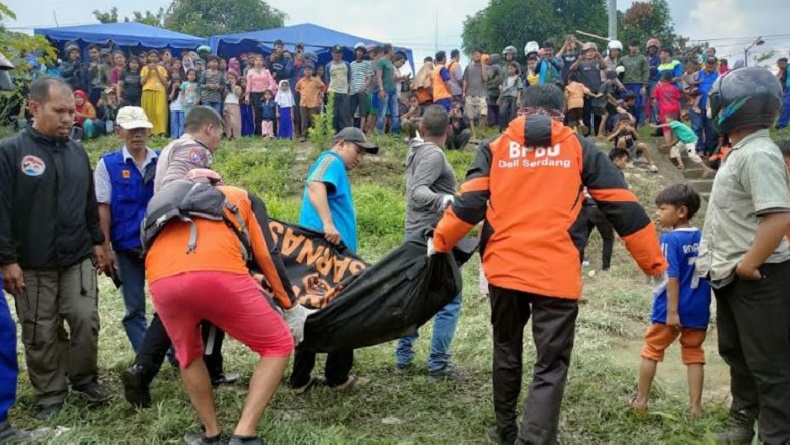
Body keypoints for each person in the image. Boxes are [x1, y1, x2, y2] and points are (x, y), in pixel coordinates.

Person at [429, 85, 667, 445]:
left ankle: (506, 430)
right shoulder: (580, 148)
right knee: (551, 365)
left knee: (506, 350)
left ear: (521, 108)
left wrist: (440, 242)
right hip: (556, 275)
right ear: (561, 112)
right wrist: (653, 264)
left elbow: (467, 205)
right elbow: (624, 207)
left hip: (504, 271)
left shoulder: (494, 148)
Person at [145, 169, 308, 445]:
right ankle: (243, 435)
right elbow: (267, 254)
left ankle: (211, 434)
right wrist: (290, 305)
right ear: (217, 184)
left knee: (189, 356)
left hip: (161, 279)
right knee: (278, 344)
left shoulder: (166, 205)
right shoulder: (238, 196)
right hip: (218, 273)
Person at [0, 77, 112, 419]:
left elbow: (89, 202)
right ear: (34, 108)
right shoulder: (10, 152)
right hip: (31, 264)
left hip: (76, 256)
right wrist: (7, 261)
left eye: (72, 111)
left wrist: (98, 242)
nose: (68, 118)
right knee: (40, 329)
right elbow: (1, 210)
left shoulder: (78, 151)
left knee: (84, 319)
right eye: (59, 111)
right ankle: (50, 393)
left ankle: (84, 379)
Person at [695, 67, 790, 444]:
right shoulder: (741, 152)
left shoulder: (759, 154)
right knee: (737, 354)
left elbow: (779, 215)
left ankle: (776, 436)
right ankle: (741, 422)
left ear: (731, 106)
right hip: (732, 275)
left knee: (769, 363)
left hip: (758, 276)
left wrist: (750, 263)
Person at [121, 107, 239, 409]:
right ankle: (212, 370)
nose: (219, 142)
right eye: (220, 135)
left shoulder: (173, 146)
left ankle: (142, 369)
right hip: (186, 235)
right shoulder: (193, 150)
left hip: (167, 239)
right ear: (210, 129)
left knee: (172, 310)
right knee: (213, 301)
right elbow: (180, 190)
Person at [290, 127, 379, 395]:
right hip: (328, 255)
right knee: (345, 310)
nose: (359, 158)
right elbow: (315, 185)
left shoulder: (335, 165)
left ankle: (301, 378)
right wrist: (328, 224)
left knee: (312, 310)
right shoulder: (331, 160)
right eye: (357, 150)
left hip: (326, 254)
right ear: (341, 144)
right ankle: (337, 377)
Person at [395, 106, 464, 379]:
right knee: (449, 300)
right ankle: (438, 364)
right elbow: (418, 193)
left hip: (417, 233)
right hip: (431, 236)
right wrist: (447, 200)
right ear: (449, 129)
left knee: (415, 297)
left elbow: (405, 126)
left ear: (423, 129)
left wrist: (413, 123)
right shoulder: (434, 155)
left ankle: (403, 358)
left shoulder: (417, 148)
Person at [631, 184, 710, 416]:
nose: (657, 213)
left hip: (670, 308)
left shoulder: (669, 240)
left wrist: (673, 312)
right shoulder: (702, 237)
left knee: (651, 350)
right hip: (698, 308)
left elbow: (671, 277)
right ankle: (695, 408)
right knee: (694, 352)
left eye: (662, 208)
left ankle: (641, 401)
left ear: (681, 211)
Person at [93, 106, 158, 354]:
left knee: (169, 306)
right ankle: (145, 359)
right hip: (126, 247)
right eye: (131, 130)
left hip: (158, 246)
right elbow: (103, 208)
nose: (137, 135)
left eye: (141, 129)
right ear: (119, 132)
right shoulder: (107, 165)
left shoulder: (161, 161)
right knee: (134, 308)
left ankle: (176, 356)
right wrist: (105, 246)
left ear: (149, 131)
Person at [570, 42, 608, 136]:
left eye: (592, 51)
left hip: (597, 91)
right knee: (586, 112)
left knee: (597, 113)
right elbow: (572, 68)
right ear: (584, 53)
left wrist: (600, 57)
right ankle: (586, 133)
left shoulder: (597, 62)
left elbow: (605, 66)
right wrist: (578, 60)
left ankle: (597, 132)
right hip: (585, 92)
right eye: (588, 51)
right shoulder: (581, 63)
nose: (590, 53)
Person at [691, 57, 719, 156]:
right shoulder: (698, 74)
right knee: (697, 127)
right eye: (708, 63)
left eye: (712, 63)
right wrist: (693, 88)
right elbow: (688, 84)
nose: (710, 65)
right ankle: (699, 149)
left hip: (711, 107)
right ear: (705, 63)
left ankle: (709, 149)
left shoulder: (719, 76)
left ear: (716, 64)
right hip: (696, 105)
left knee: (710, 129)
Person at [618, 39, 649, 126]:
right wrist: (619, 83)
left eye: (636, 46)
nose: (634, 48)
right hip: (625, 84)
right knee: (624, 104)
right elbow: (618, 72)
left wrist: (644, 86)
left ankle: (634, 125)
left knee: (636, 105)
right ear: (629, 47)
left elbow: (646, 72)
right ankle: (623, 124)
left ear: (638, 47)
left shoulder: (642, 58)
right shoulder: (623, 59)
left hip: (637, 84)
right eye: (632, 46)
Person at [246, 55, 277, 137]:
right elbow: (248, 85)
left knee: (268, 113)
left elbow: (272, 82)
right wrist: (247, 96)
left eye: (260, 60)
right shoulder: (250, 72)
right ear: (254, 62)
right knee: (257, 114)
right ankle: (259, 132)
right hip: (255, 94)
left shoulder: (266, 71)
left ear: (263, 62)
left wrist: (268, 92)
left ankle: (270, 132)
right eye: (256, 60)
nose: (258, 62)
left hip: (266, 94)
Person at [140, 50, 169, 136]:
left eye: (155, 56)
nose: (153, 58)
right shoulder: (145, 68)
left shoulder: (162, 68)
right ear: (148, 57)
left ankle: (161, 132)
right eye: (151, 56)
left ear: (158, 58)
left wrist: (156, 70)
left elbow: (165, 82)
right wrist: (149, 71)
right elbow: (142, 82)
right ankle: (149, 132)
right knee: (148, 112)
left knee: (159, 112)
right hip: (147, 91)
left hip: (159, 91)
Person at [324, 45, 352, 132]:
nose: (337, 54)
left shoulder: (346, 64)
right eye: (336, 52)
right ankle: (333, 135)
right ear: (332, 53)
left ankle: (345, 135)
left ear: (342, 54)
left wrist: (347, 88)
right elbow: (327, 79)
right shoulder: (328, 66)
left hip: (344, 93)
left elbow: (349, 77)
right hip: (332, 92)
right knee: (333, 115)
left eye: (339, 52)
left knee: (344, 115)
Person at [463, 48, 488, 139]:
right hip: (469, 93)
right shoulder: (468, 67)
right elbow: (465, 80)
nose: (474, 56)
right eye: (473, 54)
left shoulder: (485, 66)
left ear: (481, 55)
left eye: (476, 54)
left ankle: (482, 132)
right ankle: (474, 134)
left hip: (481, 93)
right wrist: (463, 92)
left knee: (484, 113)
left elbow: (485, 78)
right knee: (470, 116)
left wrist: (483, 65)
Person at [376, 44, 401, 135]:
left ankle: (395, 134)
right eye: (393, 49)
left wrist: (401, 78)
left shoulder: (390, 62)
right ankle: (378, 133)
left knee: (395, 114)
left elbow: (393, 78)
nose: (394, 51)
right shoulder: (381, 61)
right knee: (382, 114)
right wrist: (381, 89)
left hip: (393, 90)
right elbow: (379, 77)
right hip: (385, 90)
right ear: (389, 50)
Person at [296, 65, 325, 141]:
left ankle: (314, 136)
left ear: (312, 71)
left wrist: (320, 96)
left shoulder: (316, 80)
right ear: (304, 71)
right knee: (304, 120)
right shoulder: (301, 81)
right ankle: (303, 135)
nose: (308, 72)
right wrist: (301, 92)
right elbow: (296, 88)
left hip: (313, 103)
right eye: (306, 70)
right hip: (303, 103)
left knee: (313, 120)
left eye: (309, 70)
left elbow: (323, 87)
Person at [652, 72, 682, 147]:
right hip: (675, 110)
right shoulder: (675, 88)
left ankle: (669, 148)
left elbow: (654, 102)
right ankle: (675, 148)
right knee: (675, 128)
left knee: (666, 129)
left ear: (662, 79)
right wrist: (680, 113)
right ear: (670, 80)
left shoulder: (658, 88)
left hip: (664, 111)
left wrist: (656, 113)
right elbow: (678, 101)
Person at [350, 43, 374, 129]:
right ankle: (351, 130)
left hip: (363, 91)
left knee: (362, 112)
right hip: (352, 91)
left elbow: (369, 78)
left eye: (361, 51)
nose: (359, 53)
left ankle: (360, 131)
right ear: (355, 52)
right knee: (351, 112)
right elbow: (350, 77)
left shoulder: (367, 63)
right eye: (358, 51)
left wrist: (364, 87)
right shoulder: (351, 64)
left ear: (364, 53)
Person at [498, 62, 524, 131]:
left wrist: (518, 99)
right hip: (506, 96)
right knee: (502, 111)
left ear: (515, 69)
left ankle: (512, 128)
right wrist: (499, 98)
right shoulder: (506, 79)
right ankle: (502, 127)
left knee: (513, 114)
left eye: (511, 69)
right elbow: (503, 90)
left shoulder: (518, 78)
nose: (510, 70)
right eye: (509, 69)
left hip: (514, 96)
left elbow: (519, 89)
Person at [486, 54, 505, 129]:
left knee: (490, 106)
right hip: (499, 90)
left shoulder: (494, 67)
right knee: (497, 107)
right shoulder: (501, 67)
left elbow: (490, 75)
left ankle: (492, 123)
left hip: (492, 89)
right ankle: (498, 123)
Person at [645, 38, 662, 125]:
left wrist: (652, 69)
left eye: (654, 48)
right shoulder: (644, 58)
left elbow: (658, 70)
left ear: (656, 49)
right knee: (642, 101)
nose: (652, 49)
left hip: (654, 81)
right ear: (647, 48)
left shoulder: (659, 59)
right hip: (644, 81)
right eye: (650, 47)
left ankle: (654, 120)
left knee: (654, 101)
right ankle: (641, 122)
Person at [224, 72, 242, 140]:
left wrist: (233, 88)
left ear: (236, 79)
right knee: (227, 120)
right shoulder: (226, 87)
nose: (230, 80)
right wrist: (227, 90)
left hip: (234, 104)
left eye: (232, 78)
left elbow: (238, 94)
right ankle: (228, 135)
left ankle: (236, 135)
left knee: (234, 121)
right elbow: (223, 95)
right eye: (228, 78)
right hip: (226, 104)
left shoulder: (238, 87)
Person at [168, 70, 185, 139]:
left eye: (178, 82)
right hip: (173, 108)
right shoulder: (171, 89)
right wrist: (173, 89)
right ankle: (174, 136)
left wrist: (182, 91)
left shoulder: (183, 90)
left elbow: (185, 99)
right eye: (175, 82)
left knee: (182, 123)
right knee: (174, 123)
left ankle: (181, 136)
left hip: (182, 108)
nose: (177, 84)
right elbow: (170, 98)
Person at [778, 57, 790, 131]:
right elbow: (782, 80)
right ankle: (782, 125)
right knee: (786, 105)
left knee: (786, 105)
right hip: (788, 89)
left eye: (780, 64)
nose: (779, 65)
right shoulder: (785, 69)